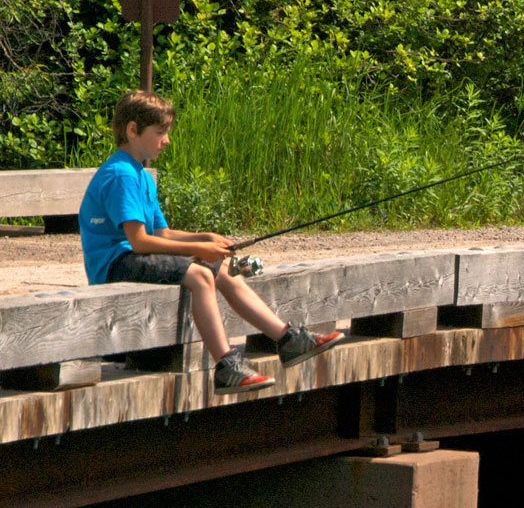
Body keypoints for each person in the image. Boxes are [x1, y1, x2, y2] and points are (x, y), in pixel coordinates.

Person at [79, 89, 344, 392]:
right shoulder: (121, 174)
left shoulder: (141, 175)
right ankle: (226, 366)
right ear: (133, 130)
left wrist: (206, 239)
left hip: (132, 258)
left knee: (218, 264)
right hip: (114, 266)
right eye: (161, 132)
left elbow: (162, 234)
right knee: (201, 274)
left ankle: (288, 339)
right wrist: (197, 248)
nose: (167, 140)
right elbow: (139, 241)